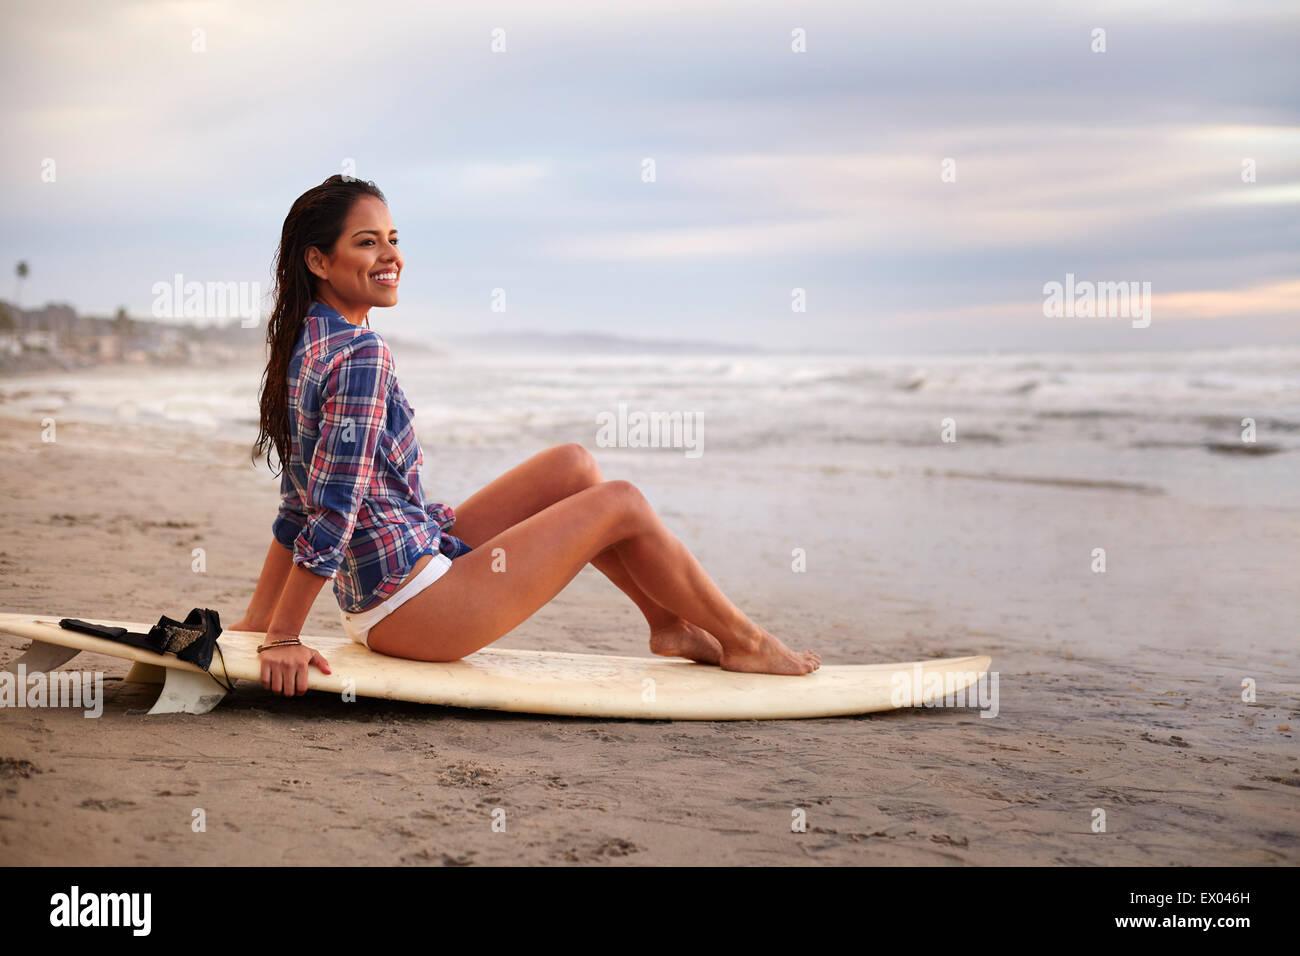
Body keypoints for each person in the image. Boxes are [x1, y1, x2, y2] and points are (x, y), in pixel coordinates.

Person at [232, 175, 820, 697]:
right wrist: (281, 637)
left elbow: (296, 497)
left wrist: (260, 619)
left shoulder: (307, 341)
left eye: (393, 238)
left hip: (393, 574)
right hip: (412, 609)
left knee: (574, 466)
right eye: (367, 242)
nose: (391, 255)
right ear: (318, 261)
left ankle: (668, 624)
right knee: (623, 504)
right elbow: (330, 505)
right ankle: (745, 641)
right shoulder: (362, 353)